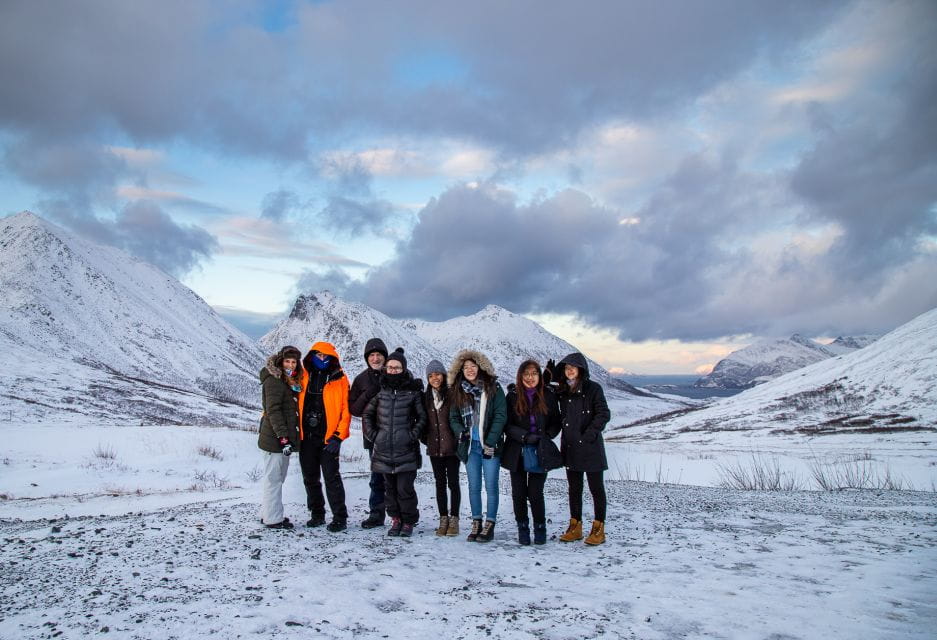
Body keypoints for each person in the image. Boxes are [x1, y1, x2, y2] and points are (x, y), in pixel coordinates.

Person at [362, 348, 426, 537]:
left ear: (403, 369)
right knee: (390, 490)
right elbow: (367, 414)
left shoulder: (412, 392)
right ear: (386, 369)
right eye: (390, 367)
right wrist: (374, 436)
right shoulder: (381, 392)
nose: (393, 370)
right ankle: (395, 519)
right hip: (383, 450)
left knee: (405, 489)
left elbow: (422, 417)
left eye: (397, 367)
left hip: (405, 449)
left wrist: (411, 435)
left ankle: (408, 521)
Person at [448, 349, 506, 543]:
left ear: (480, 367)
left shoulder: (493, 388)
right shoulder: (459, 390)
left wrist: (491, 439)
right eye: (465, 367)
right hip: (470, 447)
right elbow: (453, 417)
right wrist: (460, 432)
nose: (470, 370)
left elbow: (500, 415)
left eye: (473, 366)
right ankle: (476, 522)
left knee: (491, 486)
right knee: (473, 486)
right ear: (460, 370)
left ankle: (489, 523)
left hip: (489, 445)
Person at [502, 360, 562, 545]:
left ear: (539, 375)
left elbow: (556, 421)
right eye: (526, 374)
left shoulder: (548, 395)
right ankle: (522, 528)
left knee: (536, 492)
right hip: (516, 450)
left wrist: (546, 436)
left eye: (534, 374)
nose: (530, 378)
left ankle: (540, 527)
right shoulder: (512, 396)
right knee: (518, 493)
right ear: (520, 376)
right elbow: (507, 424)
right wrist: (525, 436)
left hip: (540, 451)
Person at [555, 352, 611, 545]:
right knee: (574, 489)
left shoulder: (593, 389)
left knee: (596, 489)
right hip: (570, 447)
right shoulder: (562, 392)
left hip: (591, 447)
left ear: (581, 369)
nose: (569, 370)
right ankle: (575, 526)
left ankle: (598, 529)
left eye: (573, 367)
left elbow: (603, 414)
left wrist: (589, 435)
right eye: (566, 367)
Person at [298, 341, 350, 532]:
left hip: (329, 439)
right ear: (311, 357)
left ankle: (340, 517)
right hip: (306, 438)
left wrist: (338, 436)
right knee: (310, 478)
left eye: (325, 357)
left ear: (332, 359)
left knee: (332, 478)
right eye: (318, 356)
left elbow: (346, 411)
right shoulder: (302, 376)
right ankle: (317, 514)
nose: (322, 360)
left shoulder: (340, 379)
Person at [257, 345, 303, 529]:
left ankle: (267, 513)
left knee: (275, 478)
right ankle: (273, 519)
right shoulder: (274, 381)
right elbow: (273, 411)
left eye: (293, 362)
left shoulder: (285, 380)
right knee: (274, 479)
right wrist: (283, 438)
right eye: (287, 361)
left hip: (278, 439)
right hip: (275, 439)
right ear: (279, 361)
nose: (290, 365)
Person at [348, 337, 389, 529]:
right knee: (377, 477)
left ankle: (400, 515)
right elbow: (354, 409)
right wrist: (368, 393)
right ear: (367, 358)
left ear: (384, 357)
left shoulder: (394, 372)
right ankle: (376, 514)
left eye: (379, 354)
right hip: (372, 435)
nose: (375, 358)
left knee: (399, 477)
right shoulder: (361, 379)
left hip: (395, 434)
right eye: (371, 355)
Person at [423, 359, 460, 536]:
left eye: (437, 374)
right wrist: (426, 439)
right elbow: (422, 421)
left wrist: (457, 439)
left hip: (452, 448)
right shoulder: (426, 397)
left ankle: (454, 519)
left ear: (443, 375)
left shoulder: (452, 394)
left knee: (453, 483)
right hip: (434, 448)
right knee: (439, 484)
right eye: (431, 375)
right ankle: (443, 518)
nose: (434, 378)